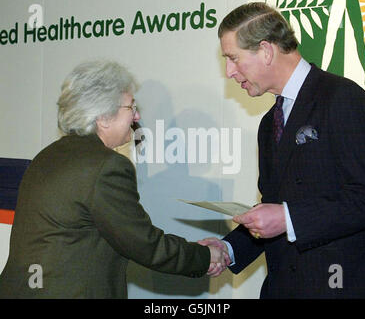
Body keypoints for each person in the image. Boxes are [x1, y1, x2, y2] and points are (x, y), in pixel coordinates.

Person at [0, 60, 227, 299]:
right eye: (131, 107)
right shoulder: (106, 166)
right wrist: (205, 257)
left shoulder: (47, 156)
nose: (137, 116)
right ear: (104, 117)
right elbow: (144, 244)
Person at [199, 2, 365, 298]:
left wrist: (289, 218)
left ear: (266, 50)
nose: (229, 71)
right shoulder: (270, 123)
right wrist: (227, 249)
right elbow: (272, 211)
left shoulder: (342, 98)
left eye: (233, 58)